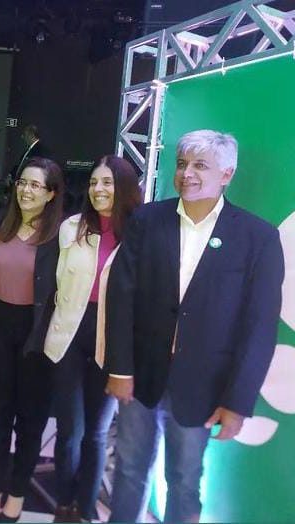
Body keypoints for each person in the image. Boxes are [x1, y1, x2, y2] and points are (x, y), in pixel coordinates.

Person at [104, 130, 285, 523]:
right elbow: (121, 297)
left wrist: (238, 402)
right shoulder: (147, 220)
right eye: (182, 164)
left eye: (200, 165)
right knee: (129, 469)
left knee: (184, 480)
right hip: (140, 376)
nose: (187, 173)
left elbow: (259, 328)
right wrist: (119, 368)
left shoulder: (257, 238)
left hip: (204, 385)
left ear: (227, 174)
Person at [44, 155, 141, 522]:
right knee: (69, 430)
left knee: (97, 433)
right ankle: (63, 502)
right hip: (69, 333)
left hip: (113, 340)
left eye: (107, 183)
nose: (98, 189)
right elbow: (57, 282)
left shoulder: (140, 233)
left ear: (124, 187)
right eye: (94, 182)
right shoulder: (71, 227)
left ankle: (85, 508)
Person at [0, 157, 64, 522]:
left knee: (30, 418)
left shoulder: (61, 235)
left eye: (36, 185)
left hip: (36, 331)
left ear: (51, 194)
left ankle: (17, 491)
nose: (26, 191)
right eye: (22, 183)